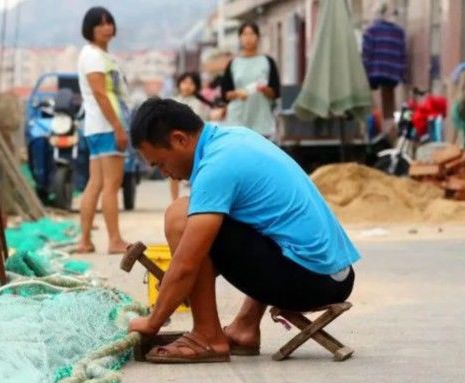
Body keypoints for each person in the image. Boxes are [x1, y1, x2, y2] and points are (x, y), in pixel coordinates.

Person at [128, 98, 359, 363]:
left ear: (180, 139)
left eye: (160, 164)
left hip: (311, 281)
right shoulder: (235, 137)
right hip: (335, 276)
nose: (165, 174)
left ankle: (207, 336)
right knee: (239, 219)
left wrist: (153, 321)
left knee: (179, 217)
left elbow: (186, 265)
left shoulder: (216, 166)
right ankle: (245, 327)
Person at [76, 7, 129, 254]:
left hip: (96, 126)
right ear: (90, 29)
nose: (106, 27)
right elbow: (100, 94)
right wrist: (118, 127)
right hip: (106, 126)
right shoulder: (94, 56)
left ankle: (85, 240)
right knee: (111, 183)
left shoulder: (96, 55)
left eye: (109, 22)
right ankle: (115, 240)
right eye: (100, 24)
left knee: (95, 182)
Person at [221, 21, 281, 140]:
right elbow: (225, 94)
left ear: (258, 37)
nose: (248, 38)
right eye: (244, 34)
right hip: (237, 120)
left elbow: (276, 92)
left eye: (252, 34)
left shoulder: (267, 61)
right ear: (240, 38)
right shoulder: (233, 63)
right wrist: (238, 93)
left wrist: (264, 89)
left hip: (262, 121)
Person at [170, 72, 210, 201]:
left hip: (194, 143)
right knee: (172, 173)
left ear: (196, 86)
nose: (187, 86)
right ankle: (174, 199)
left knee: (196, 171)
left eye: (191, 83)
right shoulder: (172, 102)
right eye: (184, 82)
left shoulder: (199, 104)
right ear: (179, 84)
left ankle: (196, 198)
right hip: (174, 141)